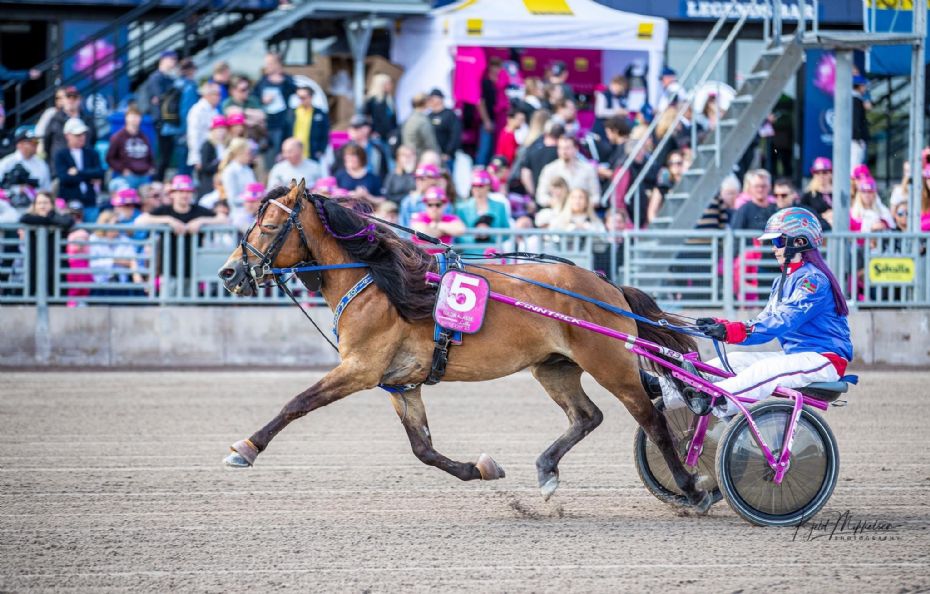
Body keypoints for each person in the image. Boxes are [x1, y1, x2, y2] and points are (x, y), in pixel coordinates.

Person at [680, 207, 851, 419]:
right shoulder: (781, 281)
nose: (773, 249)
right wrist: (723, 326)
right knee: (733, 360)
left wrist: (733, 331)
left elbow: (783, 320)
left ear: (799, 242)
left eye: (778, 242)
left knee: (764, 370)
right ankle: (666, 389)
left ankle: (713, 398)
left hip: (824, 360)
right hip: (796, 355)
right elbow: (764, 321)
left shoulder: (813, 281)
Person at [135, 174, 227, 286]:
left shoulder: (198, 211)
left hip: (194, 273)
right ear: (172, 194)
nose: (184, 195)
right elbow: (140, 220)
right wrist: (168, 220)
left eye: (188, 191)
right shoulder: (165, 211)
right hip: (169, 272)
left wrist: (201, 221)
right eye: (180, 191)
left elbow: (224, 219)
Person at [19, 191, 74, 297]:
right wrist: (49, 220)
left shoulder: (58, 216)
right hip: (34, 263)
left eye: (45, 202)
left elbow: (68, 222)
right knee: (31, 290)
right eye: (39, 203)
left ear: (52, 204)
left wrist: (50, 217)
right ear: (34, 205)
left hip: (56, 263)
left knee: (57, 293)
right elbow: (24, 219)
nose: (42, 206)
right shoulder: (29, 217)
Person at [55, 118, 105, 222]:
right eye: (77, 135)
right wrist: (89, 176)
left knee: (92, 227)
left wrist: (78, 172)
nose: (82, 137)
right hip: (70, 203)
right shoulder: (61, 155)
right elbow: (64, 178)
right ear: (67, 135)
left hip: (90, 201)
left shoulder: (92, 153)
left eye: (83, 134)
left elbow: (100, 173)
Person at [139, 51, 179, 180]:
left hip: (170, 120)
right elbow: (162, 97)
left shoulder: (169, 78)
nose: (173, 62)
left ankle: (160, 180)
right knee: (162, 155)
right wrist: (167, 97)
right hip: (160, 121)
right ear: (163, 60)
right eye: (171, 59)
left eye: (174, 59)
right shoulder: (156, 78)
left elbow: (168, 98)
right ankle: (156, 181)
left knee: (167, 154)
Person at [253, 52, 297, 168]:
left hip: (282, 125)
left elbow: (295, 92)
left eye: (270, 63)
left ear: (278, 64)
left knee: (281, 158)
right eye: (266, 63)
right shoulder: (263, 80)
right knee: (267, 160)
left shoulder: (287, 79)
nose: (267, 66)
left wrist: (281, 80)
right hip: (266, 126)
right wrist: (263, 100)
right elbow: (254, 96)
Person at [43, 86, 97, 176]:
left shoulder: (87, 120)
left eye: (74, 97)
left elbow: (93, 140)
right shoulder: (55, 119)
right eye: (68, 97)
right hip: (59, 170)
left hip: (83, 171)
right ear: (63, 100)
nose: (71, 100)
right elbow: (47, 143)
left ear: (79, 99)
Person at [535, 136, 600, 208]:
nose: (564, 151)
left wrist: (581, 204)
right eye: (561, 148)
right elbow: (540, 196)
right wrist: (554, 202)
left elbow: (596, 197)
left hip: (583, 212)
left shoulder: (588, 169)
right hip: (557, 211)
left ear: (576, 149)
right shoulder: (549, 169)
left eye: (567, 148)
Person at [456, 169, 511, 244]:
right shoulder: (461, 208)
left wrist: (490, 234)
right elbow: (457, 236)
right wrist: (474, 236)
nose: (477, 189)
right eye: (474, 185)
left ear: (488, 186)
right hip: (470, 250)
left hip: (493, 249)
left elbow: (507, 233)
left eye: (481, 186)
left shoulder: (500, 206)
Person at [106, 106, 155, 190]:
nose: (134, 119)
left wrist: (151, 167)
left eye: (137, 116)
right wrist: (122, 169)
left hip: (144, 176)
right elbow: (110, 158)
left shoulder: (144, 137)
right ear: (126, 118)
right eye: (132, 116)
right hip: (128, 177)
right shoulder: (118, 137)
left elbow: (150, 155)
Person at [410, 186, 465, 254]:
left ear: (444, 205)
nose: (434, 208)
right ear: (425, 205)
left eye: (438, 205)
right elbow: (425, 234)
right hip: (420, 258)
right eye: (430, 205)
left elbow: (460, 230)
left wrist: (436, 225)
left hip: (443, 259)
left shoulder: (450, 218)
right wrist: (445, 231)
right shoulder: (419, 217)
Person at [333, 115, 389, 180]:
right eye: (351, 128)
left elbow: (384, 172)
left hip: (373, 184)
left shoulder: (377, 149)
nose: (353, 131)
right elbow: (337, 171)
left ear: (367, 129)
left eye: (357, 128)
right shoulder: (343, 150)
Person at [185, 82, 222, 173]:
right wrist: (196, 158)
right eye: (216, 94)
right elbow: (193, 135)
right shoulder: (197, 110)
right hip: (202, 152)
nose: (219, 97)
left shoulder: (215, 110)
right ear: (207, 95)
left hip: (213, 152)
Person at [0, 127, 51, 191]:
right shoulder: (7, 163)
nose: (35, 144)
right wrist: (17, 190)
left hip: (37, 196)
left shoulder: (41, 164)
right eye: (31, 142)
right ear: (19, 144)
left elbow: (47, 189)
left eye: (36, 142)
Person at [520, 121, 562, 198]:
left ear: (545, 134)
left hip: (539, 197)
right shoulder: (563, 153)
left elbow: (525, 175)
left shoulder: (532, 149)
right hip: (558, 198)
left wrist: (533, 195)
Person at [476, 57, 503, 167]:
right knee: (484, 149)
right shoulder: (485, 83)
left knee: (490, 150)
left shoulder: (495, 83)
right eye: (495, 66)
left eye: (499, 67)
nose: (497, 69)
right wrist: (486, 121)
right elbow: (480, 102)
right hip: (487, 121)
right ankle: (479, 171)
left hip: (495, 120)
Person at [292, 84, 329, 162]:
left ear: (310, 97)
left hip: (312, 153)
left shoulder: (320, 114)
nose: (300, 100)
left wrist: (321, 150)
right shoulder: (292, 113)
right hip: (294, 153)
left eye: (303, 97)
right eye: (298, 97)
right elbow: (286, 131)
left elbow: (325, 133)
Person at [219, 138, 257, 212]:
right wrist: (252, 199)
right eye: (248, 153)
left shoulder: (248, 169)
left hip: (253, 209)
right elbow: (233, 199)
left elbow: (254, 189)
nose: (250, 156)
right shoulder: (230, 171)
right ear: (239, 153)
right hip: (239, 212)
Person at [426, 88, 461, 165]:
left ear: (440, 99)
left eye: (433, 99)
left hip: (446, 157)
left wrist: (448, 153)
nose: (431, 101)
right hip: (432, 157)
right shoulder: (429, 116)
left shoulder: (450, 115)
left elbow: (455, 135)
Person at [401, 93, 440, 159]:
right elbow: (430, 143)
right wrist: (439, 157)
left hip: (410, 156)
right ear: (425, 103)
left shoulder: (409, 118)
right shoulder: (422, 120)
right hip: (420, 158)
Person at [197, 115, 228, 199]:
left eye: (223, 128)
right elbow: (205, 167)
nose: (221, 131)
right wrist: (221, 162)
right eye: (218, 129)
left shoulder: (226, 144)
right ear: (213, 130)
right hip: (210, 180)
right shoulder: (207, 145)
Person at [801, 157, 834, 230]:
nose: (821, 175)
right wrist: (822, 216)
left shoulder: (838, 193)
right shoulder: (808, 195)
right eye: (817, 172)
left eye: (825, 172)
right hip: (818, 230)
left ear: (830, 173)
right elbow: (804, 216)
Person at [364, 73, 398, 142]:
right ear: (381, 85)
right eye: (388, 84)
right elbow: (366, 117)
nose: (390, 86)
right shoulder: (372, 100)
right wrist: (372, 131)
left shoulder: (390, 99)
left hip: (391, 134)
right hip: (378, 135)